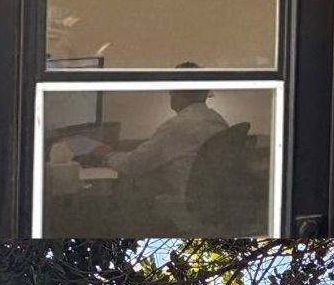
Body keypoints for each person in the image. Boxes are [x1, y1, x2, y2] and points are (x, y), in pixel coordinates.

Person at [79, 65, 227, 227]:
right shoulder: (217, 120)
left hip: (184, 207)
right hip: (210, 204)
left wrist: (107, 155)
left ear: (175, 92)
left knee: (121, 199)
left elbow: (133, 165)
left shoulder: (178, 126)